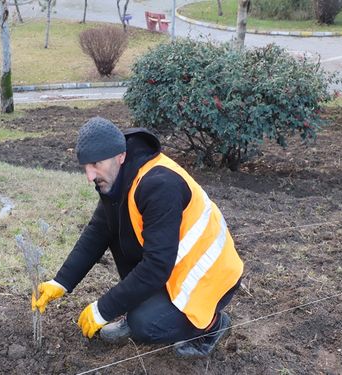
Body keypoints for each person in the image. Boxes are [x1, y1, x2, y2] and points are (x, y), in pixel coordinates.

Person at [32, 117, 244, 357]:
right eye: (85, 167)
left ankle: (211, 325)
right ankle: (145, 308)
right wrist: (61, 282)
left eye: (95, 164)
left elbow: (156, 267)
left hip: (208, 277)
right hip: (174, 269)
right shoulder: (119, 178)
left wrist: (103, 309)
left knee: (146, 325)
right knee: (117, 229)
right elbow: (98, 231)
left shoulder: (159, 184)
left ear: (120, 156)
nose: (89, 176)